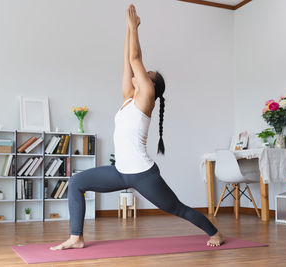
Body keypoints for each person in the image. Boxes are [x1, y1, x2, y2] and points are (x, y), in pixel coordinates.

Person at [50, 4, 224, 250]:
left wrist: (135, 28)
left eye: (146, 73)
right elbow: (127, 61)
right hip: (120, 171)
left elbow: (135, 58)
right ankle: (76, 237)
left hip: (143, 174)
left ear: (150, 85)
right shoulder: (129, 99)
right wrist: (128, 30)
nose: (140, 71)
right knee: (76, 182)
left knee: (176, 208)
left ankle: (215, 232)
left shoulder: (146, 98)